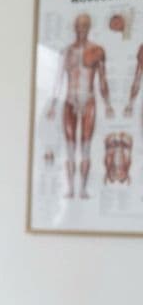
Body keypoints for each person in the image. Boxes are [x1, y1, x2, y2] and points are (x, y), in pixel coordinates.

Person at [48, 13, 113, 200]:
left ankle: (82, 189)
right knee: (69, 146)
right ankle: (70, 189)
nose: (81, 29)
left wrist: (107, 104)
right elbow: (58, 79)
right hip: (69, 100)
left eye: (84, 25)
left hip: (89, 100)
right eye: (78, 25)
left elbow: (102, 79)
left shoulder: (97, 51)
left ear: (89, 27)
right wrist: (53, 104)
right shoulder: (66, 52)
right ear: (74, 27)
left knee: (85, 146)